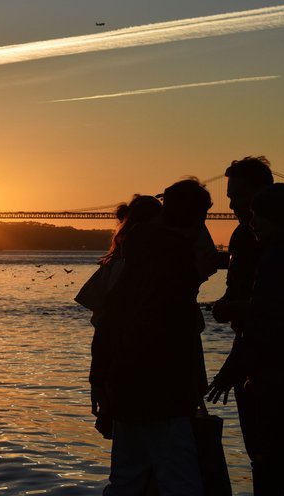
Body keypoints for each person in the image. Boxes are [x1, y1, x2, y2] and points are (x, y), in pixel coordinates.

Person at [97, 179, 213, 495]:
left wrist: (100, 381)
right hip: (163, 390)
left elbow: (108, 322)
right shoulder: (175, 259)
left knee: (125, 478)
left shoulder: (133, 256)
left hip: (126, 386)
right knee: (181, 479)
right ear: (197, 217)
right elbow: (172, 328)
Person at [206, 156, 274, 481]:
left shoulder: (271, 242)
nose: (233, 205)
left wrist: (231, 309)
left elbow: (271, 307)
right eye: (230, 197)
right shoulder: (240, 235)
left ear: (264, 193)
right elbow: (239, 292)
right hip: (247, 351)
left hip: (266, 360)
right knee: (260, 458)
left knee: (268, 458)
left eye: (241, 197)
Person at [81, 194, 162, 439]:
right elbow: (109, 324)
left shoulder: (115, 266)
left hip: (119, 370)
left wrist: (97, 381)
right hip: (139, 373)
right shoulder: (142, 269)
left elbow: (103, 326)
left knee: (127, 456)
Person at [238, 183, 284, 495]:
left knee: (271, 464)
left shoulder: (277, 257)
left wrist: (236, 370)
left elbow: (266, 320)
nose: (251, 222)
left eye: (258, 215)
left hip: (276, 383)